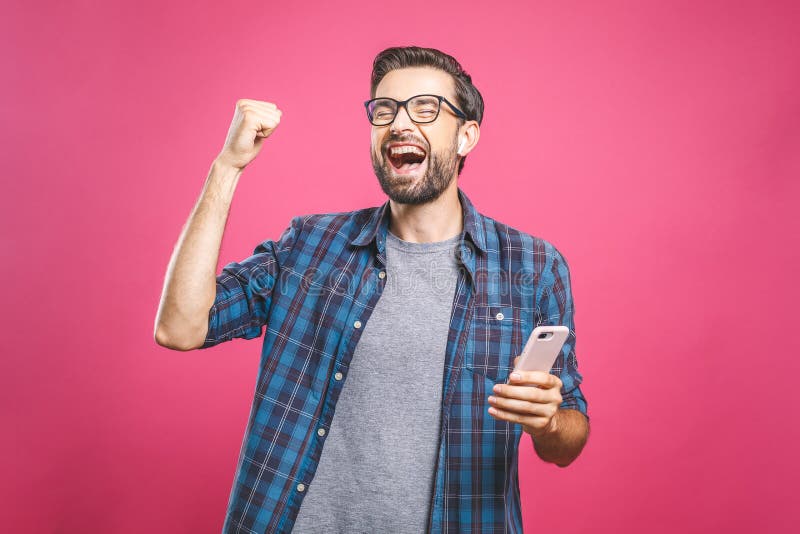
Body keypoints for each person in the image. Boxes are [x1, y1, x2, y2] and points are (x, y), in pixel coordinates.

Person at [154, 46, 589, 534]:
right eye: (385, 110)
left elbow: (569, 439)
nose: (400, 123)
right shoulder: (311, 249)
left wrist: (549, 421)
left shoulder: (530, 267)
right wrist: (227, 167)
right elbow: (180, 326)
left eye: (426, 108)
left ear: (466, 136)